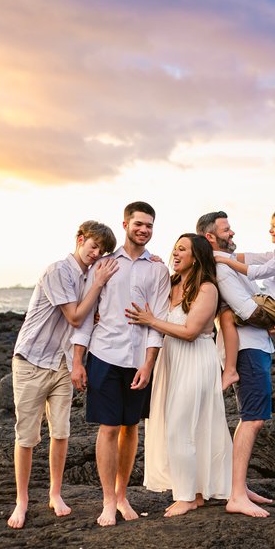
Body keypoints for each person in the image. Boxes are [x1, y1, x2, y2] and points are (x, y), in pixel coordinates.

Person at [7, 221, 119, 529]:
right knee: (27, 436)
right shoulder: (58, 271)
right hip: (32, 359)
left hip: (62, 362)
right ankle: (22, 501)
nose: (96, 254)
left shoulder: (88, 277)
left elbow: (88, 319)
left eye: (102, 251)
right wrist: (98, 285)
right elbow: (74, 316)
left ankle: (55, 494)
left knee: (61, 432)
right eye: (93, 246)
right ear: (80, 239)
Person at [70, 201, 170, 527]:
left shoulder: (158, 269)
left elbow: (159, 320)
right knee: (109, 427)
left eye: (149, 225)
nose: (144, 230)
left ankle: (123, 495)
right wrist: (78, 361)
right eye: (138, 223)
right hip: (104, 354)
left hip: (139, 358)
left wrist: (149, 363)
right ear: (125, 223)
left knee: (131, 427)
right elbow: (85, 318)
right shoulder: (104, 265)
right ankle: (108, 502)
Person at [125, 234, 232, 516]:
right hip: (170, 360)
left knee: (182, 426)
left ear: (196, 256)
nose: (175, 252)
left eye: (182, 249)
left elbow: (190, 331)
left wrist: (152, 321)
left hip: (196, 357)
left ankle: (186, 496)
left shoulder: (207, 289)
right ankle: (194, 493)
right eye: (175, 248)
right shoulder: (171, 283)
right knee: (174, 424)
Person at [196, 211, 275, 517]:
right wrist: (273, 317)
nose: (232, 234)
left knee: (250, 417)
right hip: (247, 349)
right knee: (253, 418)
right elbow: (245, 310)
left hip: (254, 345)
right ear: (210, 237)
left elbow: (255, 302)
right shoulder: (222, 269)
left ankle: (239, 487)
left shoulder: (231, 266)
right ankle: (235, 495)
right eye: (226, 230)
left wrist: (270, 322)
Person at [213, 207, 275, 389]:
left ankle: (230, 369)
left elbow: (258, 272)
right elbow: (254, 257)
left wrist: (225, 261)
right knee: (230, 313)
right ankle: (230, 369)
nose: (270, 230)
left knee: (226, 316)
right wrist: (220, 255)